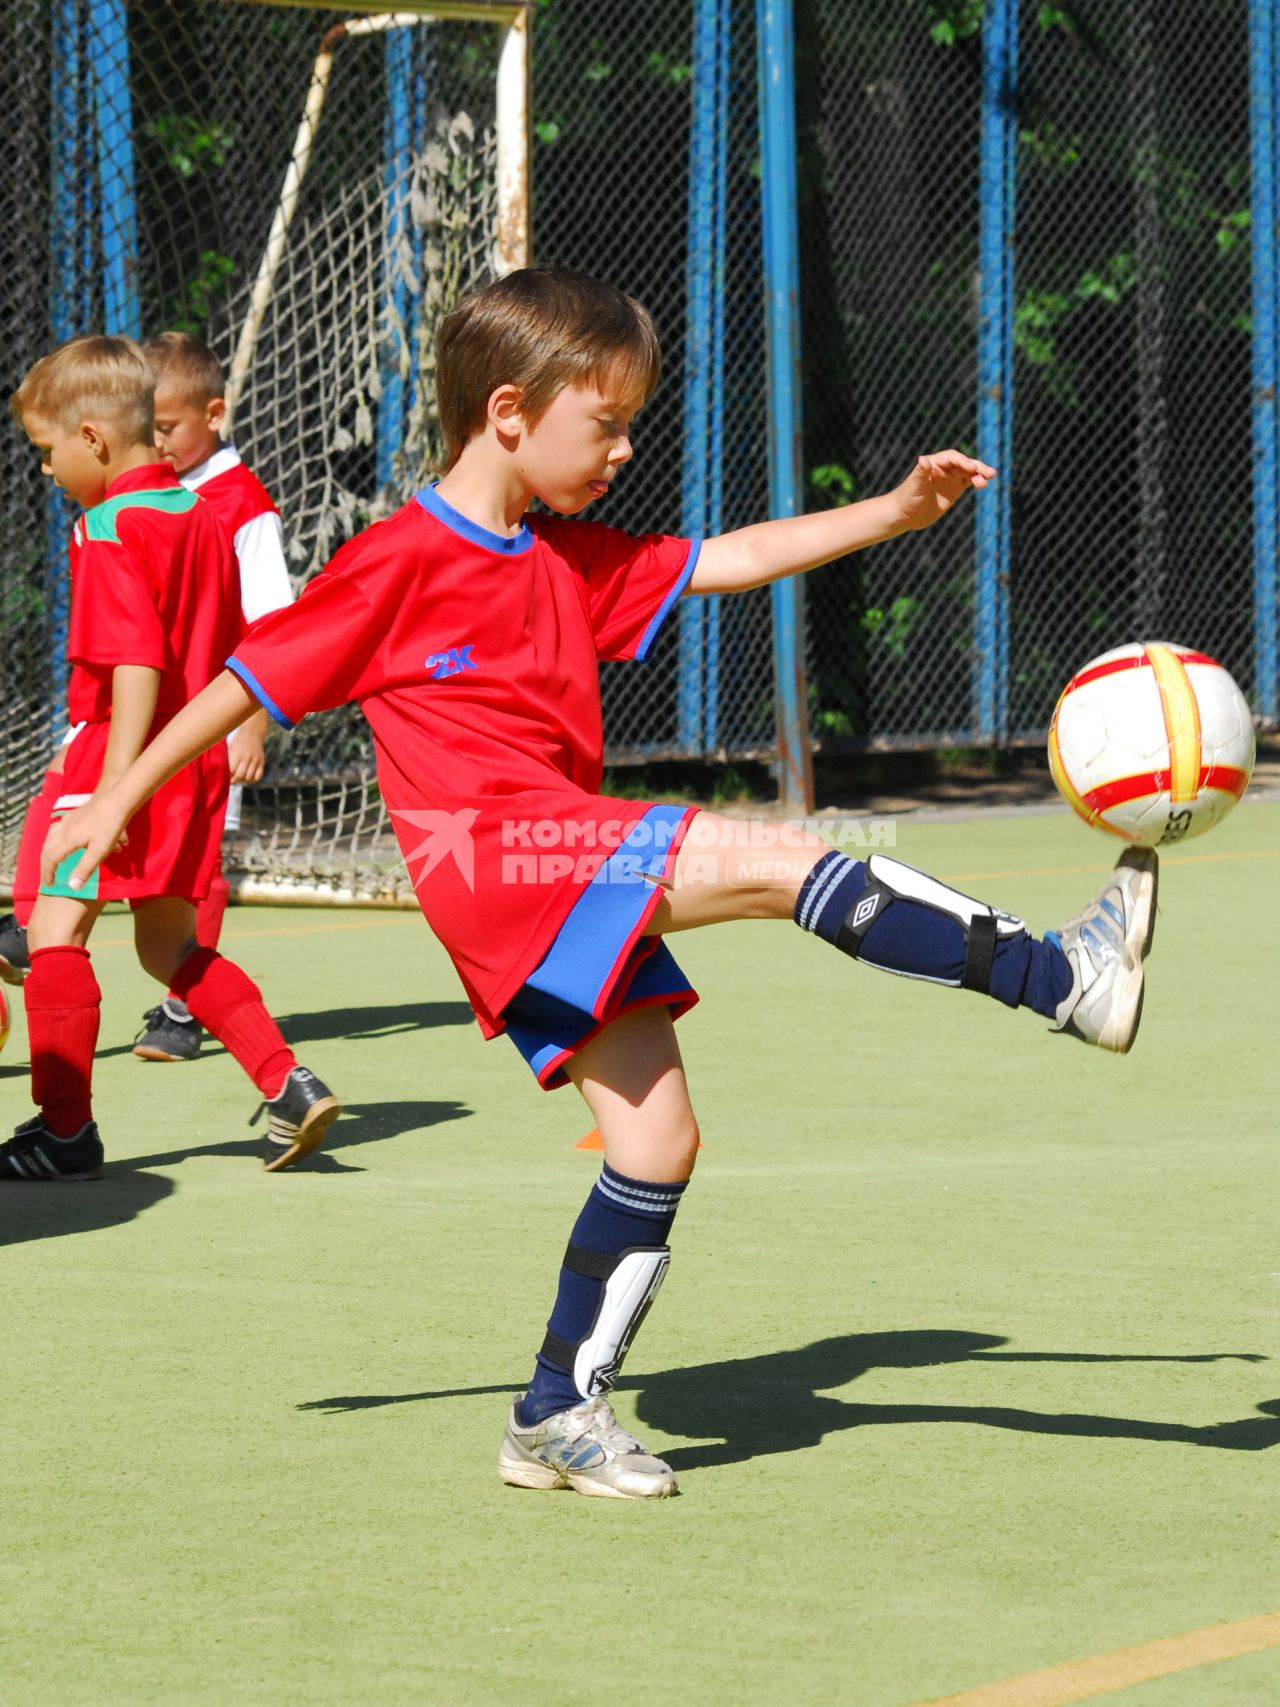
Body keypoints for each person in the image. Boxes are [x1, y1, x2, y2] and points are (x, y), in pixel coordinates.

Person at [41, 271, 1157, 1493]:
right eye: (608, 421)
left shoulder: (561, 556)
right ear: (509, 411)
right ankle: (1067, 979)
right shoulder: (399, 558)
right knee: (786, 857)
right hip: (508, 860)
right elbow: (246, 681)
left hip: (540, 871)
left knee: (658, 1142)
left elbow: (726, 559)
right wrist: (121, 793)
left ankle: (550, 1416)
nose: (626, 448)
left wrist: (889, 512)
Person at [8, 333, 339, 1180]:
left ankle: (65, 1131)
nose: (44, 471)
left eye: (46, 452)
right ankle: (287, 1080)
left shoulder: (107, 527)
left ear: (91, 438)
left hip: (126, 760)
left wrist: (111, 788)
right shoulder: (201, 513)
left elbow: (136, 663)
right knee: (169, 948)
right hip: (191, 763)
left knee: (51, 930)